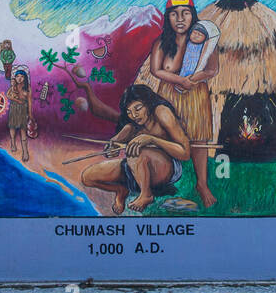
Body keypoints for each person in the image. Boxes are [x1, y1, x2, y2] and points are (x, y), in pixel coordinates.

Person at [146, 0, 219, 208]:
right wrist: (179, 80)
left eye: (185, 13)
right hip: (168, 94)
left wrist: (192, 80)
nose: (180, 19)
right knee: (162, 136)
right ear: (167, 18)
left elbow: (213, 69)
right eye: (174, 14)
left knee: (198, 139)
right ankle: (160, 181)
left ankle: (202, 184)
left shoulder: (204, 41)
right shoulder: (161, 43)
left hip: (195, 94)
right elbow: (155, 69)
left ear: (193, 16)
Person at [77, 83, 191, 215]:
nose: (134, 115)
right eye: (129, 112)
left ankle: (146, 195)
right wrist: (112, 147)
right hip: (137, 167)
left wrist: (152, 139)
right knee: (88, 177)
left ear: (148, 103)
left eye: (138, 108)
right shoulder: (131, 126)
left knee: (136, 152)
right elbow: (117, 141)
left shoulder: (161, 112)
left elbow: (185, 152)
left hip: (167, 168)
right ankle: (121, 190)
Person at [7, 68, 32, 161]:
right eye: (17, 76)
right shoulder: (13, 87)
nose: (19, 78)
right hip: (14, 108)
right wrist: (17, 100)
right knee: (12, 126)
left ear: (25, 78)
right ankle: (13, 143)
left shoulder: (28, 87)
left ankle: (25, 151)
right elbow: (8, 95)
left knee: (23, 129)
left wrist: (30, 114)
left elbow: (29, 101)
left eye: (22, 76)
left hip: (23, 109)